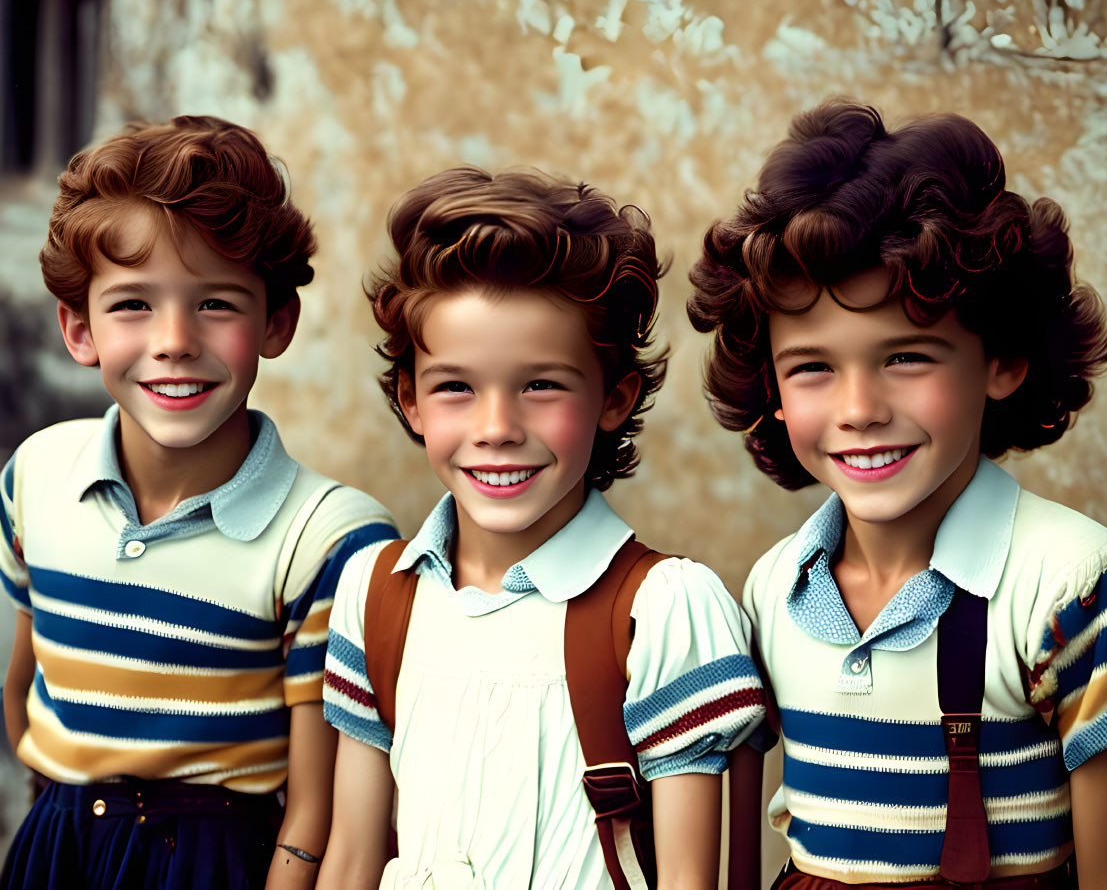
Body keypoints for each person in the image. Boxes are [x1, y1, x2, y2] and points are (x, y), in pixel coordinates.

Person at [687, 100, 1107, 888]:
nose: (858, 409)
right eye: (812, 367)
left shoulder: (1072, 582)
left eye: (905, 356)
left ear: (1001, 361)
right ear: (767, 386)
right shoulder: (773, 585)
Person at [317, 166, 765, 889]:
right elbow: (350, 856)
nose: (496, 429)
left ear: (613, 398)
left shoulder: (662, 609)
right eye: (456, 387)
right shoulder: (375, 593)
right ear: (411, 402)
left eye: (540, 385)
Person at [0, 115, 398, 890]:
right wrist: (56, 815)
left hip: (215, 860)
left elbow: (313, 808)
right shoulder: (35, 474)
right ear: (79, 330)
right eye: (132, 306)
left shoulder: (329, 536)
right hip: (56, 845)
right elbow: (22, 688)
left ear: (275, 322)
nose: (175, 339)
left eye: (215, 303)